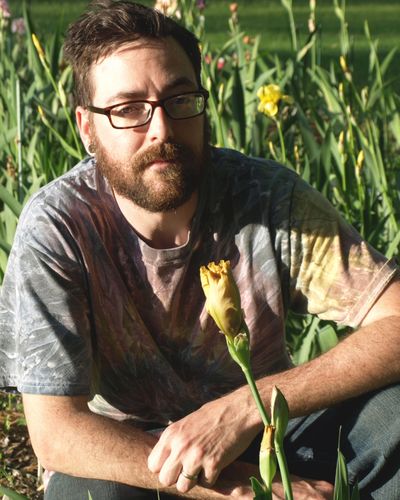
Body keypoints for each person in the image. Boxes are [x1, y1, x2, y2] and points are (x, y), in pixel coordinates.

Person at [1, 1, 399, 498]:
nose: (162, 130)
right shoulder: (60, 227)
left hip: (266, 435)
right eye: (128, 110)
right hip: (136, 460)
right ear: (87, 127)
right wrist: (244, 491)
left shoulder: (266, 198)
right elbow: (56, 433)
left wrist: (247, 409)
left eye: (180, 99)